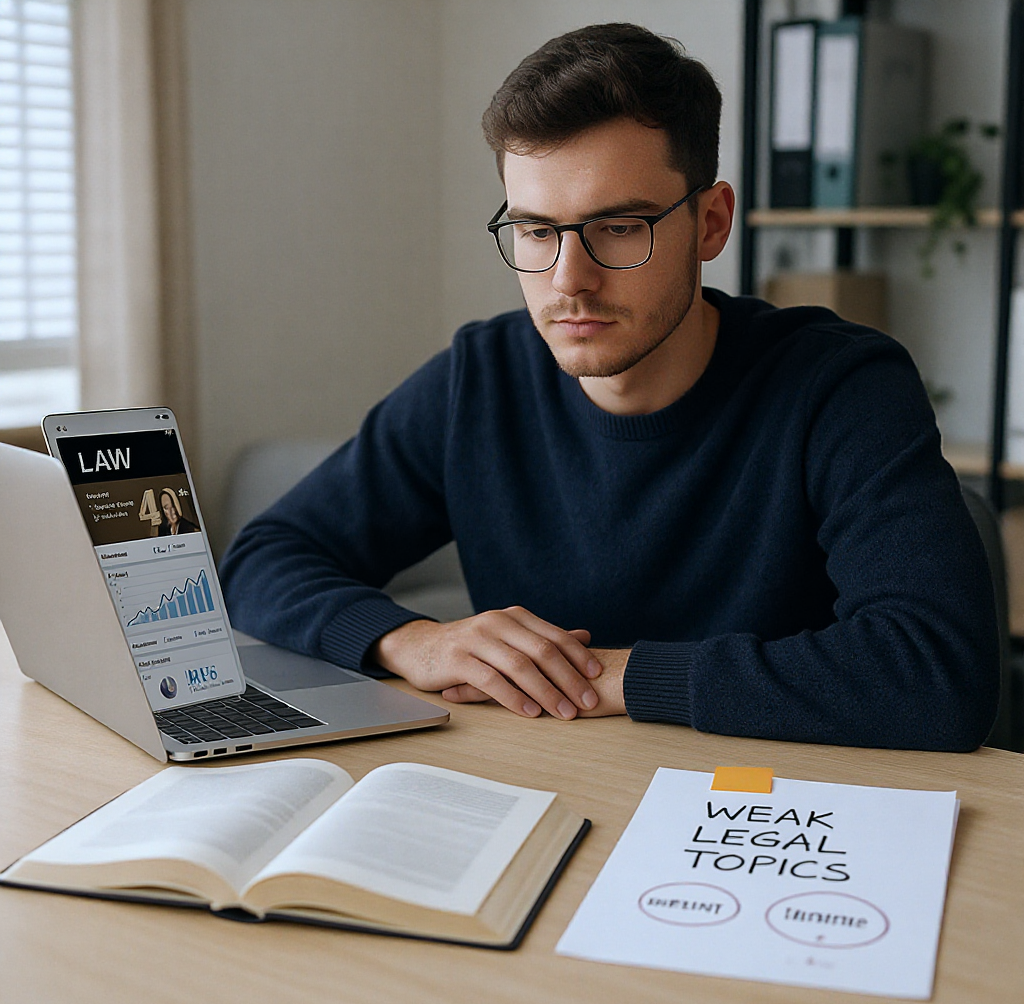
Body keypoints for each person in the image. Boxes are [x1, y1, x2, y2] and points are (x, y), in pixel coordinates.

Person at [220, 23, 999, 751]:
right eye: (536, 230)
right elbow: (263, 557)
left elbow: (935, 669)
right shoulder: (478, 380)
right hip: (554, 787)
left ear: (711, 223)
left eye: (619, 227)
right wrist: (413, 640)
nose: (569, 280)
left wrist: (613, 676)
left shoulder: (840, 386)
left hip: (769, 813)